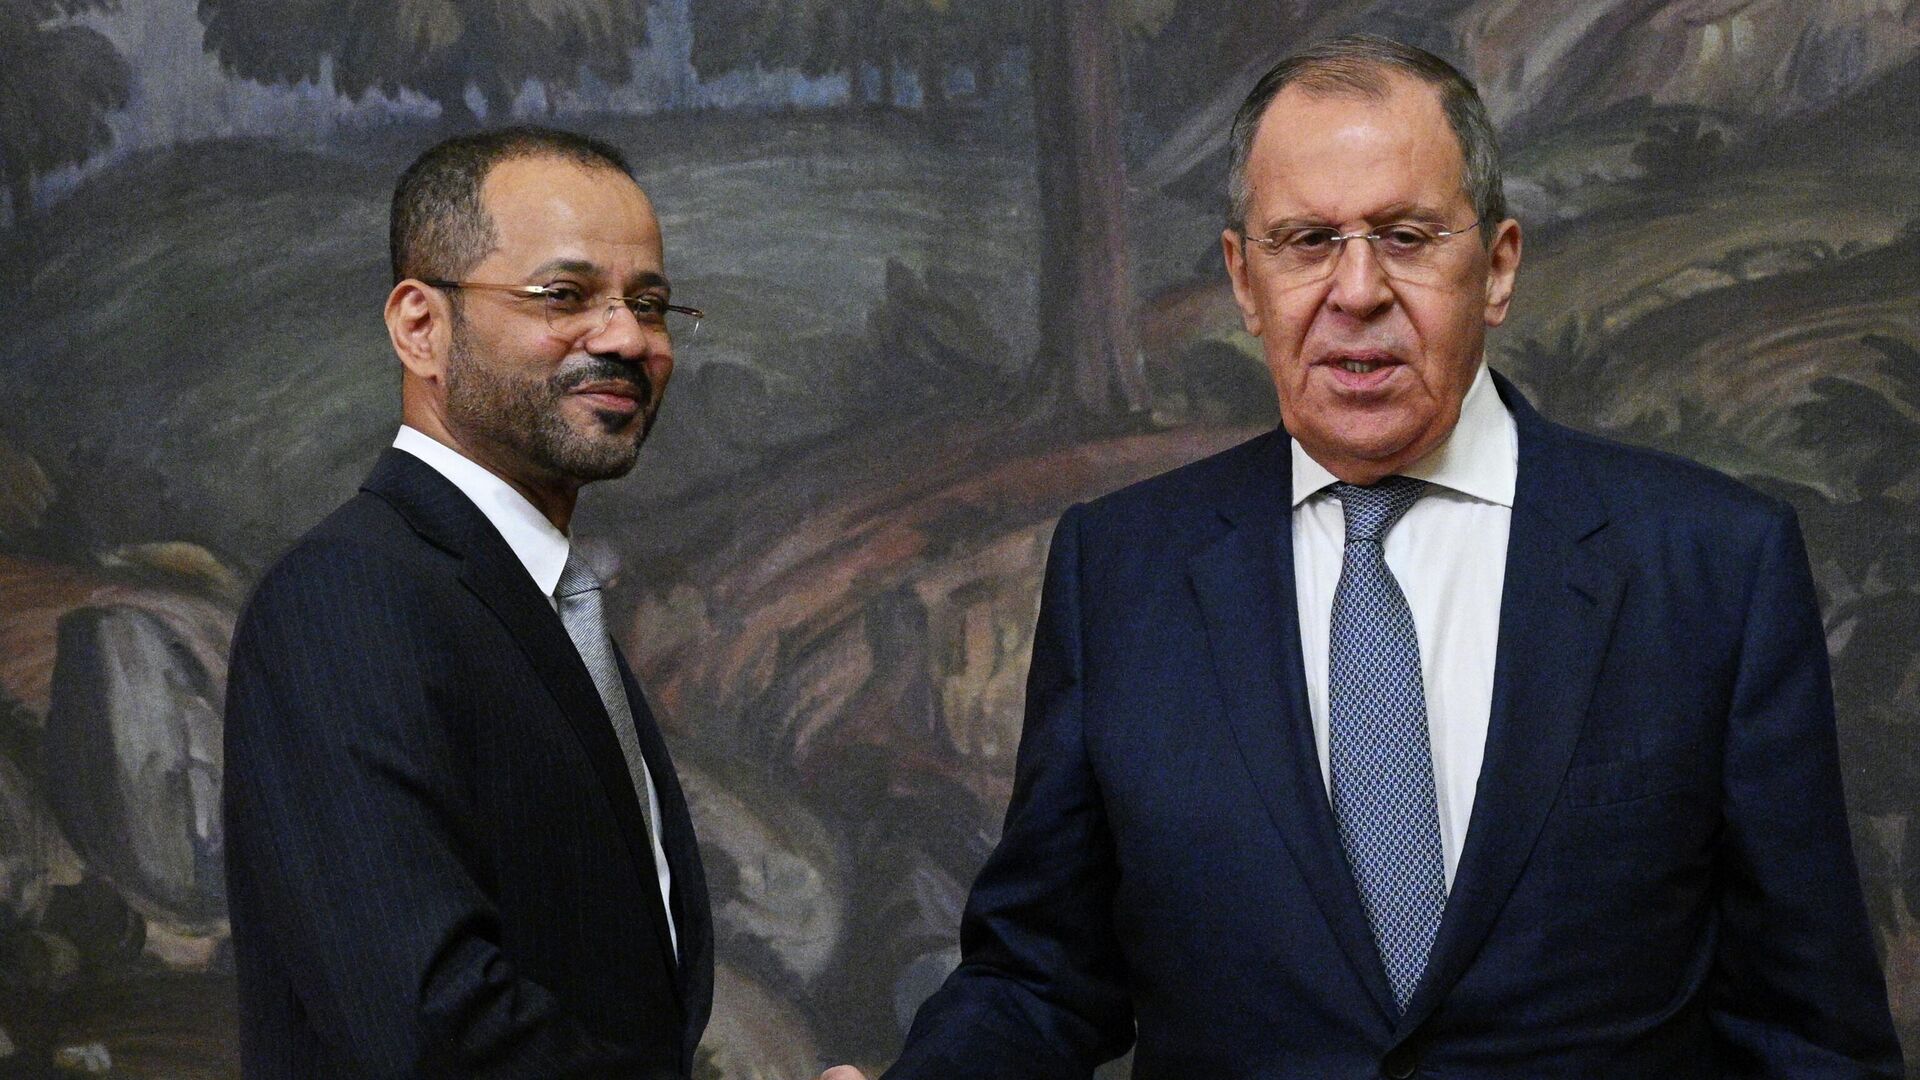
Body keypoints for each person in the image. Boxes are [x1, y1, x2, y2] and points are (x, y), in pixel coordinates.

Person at [824, 35, 1902, 1080]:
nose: (1356, 291)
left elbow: (1807, 1036)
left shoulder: (1713, 565)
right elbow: (1043, 978)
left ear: (1498, 267)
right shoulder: (1119, 573)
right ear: (1244, 280)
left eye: (1407, 236)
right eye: (1306, 241)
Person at [223, 127, 712, 1077]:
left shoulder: (541, 598)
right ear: (421, 328)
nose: (627, 339)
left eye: (649, 305)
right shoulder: (346, 600)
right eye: (564, 296)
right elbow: (430, 1028)